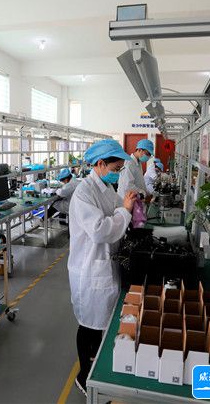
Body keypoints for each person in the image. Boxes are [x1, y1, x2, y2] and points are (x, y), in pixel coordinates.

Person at [67, 139, 138, 396]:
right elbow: (99, 230)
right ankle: (84, 377)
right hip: (90, 268)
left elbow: (117, 208)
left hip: (105, 263)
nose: (117, 173)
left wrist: (128, 203)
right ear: (100, 164)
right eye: (116, 168)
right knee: (89, 325)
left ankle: (95, 371)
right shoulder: (84, 193)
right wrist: (125, 211)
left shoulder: (105, 187)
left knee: (102, 325)